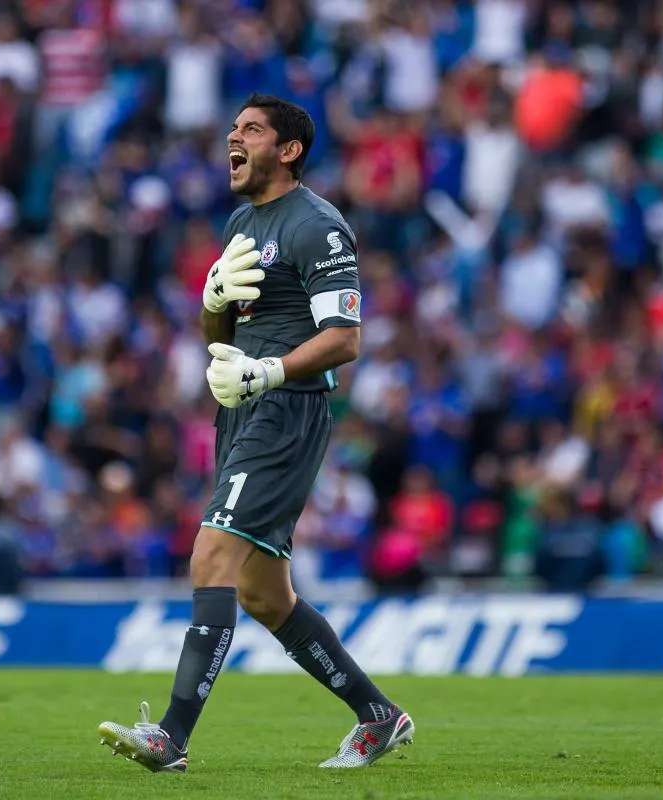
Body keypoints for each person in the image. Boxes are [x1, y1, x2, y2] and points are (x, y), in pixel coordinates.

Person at [97, 94, 414, 772]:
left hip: (286, 410)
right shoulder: (242, 221)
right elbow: (222, 336)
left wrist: (269, 371)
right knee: (264, 594)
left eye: (251, 129)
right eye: (232, 127)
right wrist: (212, 302)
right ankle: (378, 715)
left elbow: (345, 338)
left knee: (211, 555)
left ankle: (171, 738)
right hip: (243, 409)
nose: (232, 138)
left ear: (289, 149)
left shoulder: (318, 225)